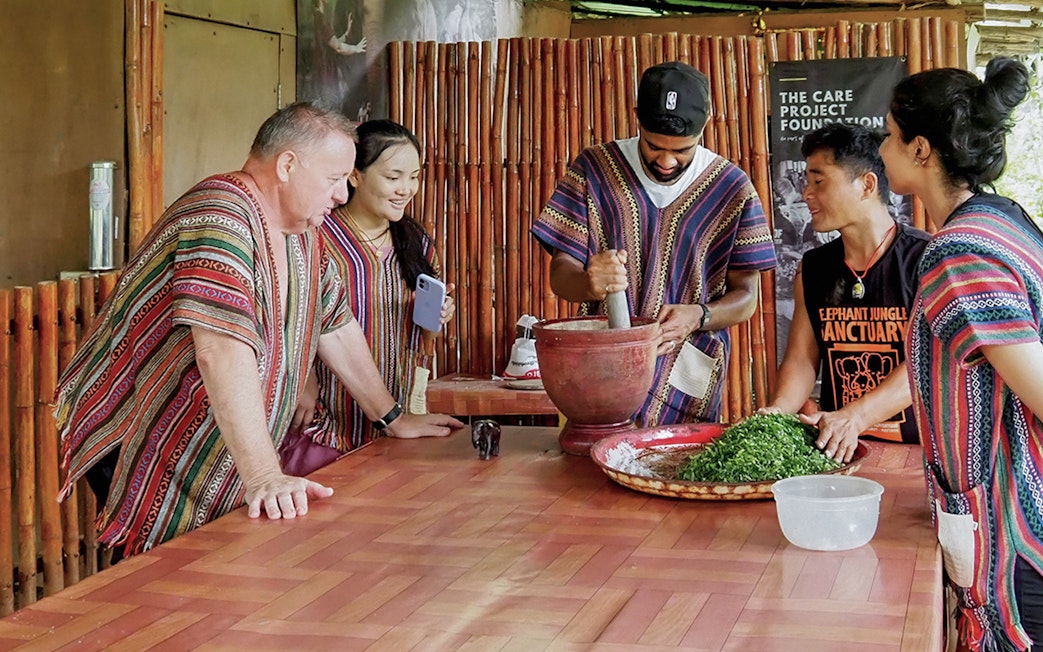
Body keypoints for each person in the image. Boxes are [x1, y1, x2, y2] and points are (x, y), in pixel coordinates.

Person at [55, 101, 463, 558]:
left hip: (212, 437)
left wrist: (392, 417)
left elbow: (335, 323)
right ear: (287, 165)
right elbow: (221, 351)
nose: (341, 196)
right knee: (167, 576)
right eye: (333, 180)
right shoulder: (221, 215)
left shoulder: (302, 231)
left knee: (217, 568)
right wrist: (264, 474)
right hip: (140, 433)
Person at [879, 57, 1043, 650]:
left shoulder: (958, 253)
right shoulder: (1006, 218)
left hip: (1019, 529)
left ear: (921, 149)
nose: (882, 147)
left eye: (892, 136)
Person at [531, 61, 777, 426]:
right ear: (636, 119)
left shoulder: (731, 189)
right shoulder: (593, 170)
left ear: (706, 124)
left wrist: (700, 315)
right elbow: (559, 275)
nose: (665, 161)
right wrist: (588, 282)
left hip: (686, 376)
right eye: (653, 146)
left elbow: (746, 297)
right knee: (589, 474)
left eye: (682, 150)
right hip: (599, 375)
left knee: (676, 470)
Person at [290, 119, 455, 469]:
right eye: (393, 177)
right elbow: (289, 315)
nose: (406, 189)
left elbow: (424, 340)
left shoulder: (416, 243)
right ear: (355, 175)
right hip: (327, 424)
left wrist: (436, 317)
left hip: (398, 420)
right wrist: (303, 379)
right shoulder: (318, 237)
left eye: (414, 176)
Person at [761, 123, 929, 463]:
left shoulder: (926, 260)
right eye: (807, 182)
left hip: (921, 453)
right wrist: (777, 413)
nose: (806, 193)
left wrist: (855, 416)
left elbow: (924, 365)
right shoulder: (814, 267)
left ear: (866, 185)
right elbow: (802, 358)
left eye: (819, 181)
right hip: (842, 451)